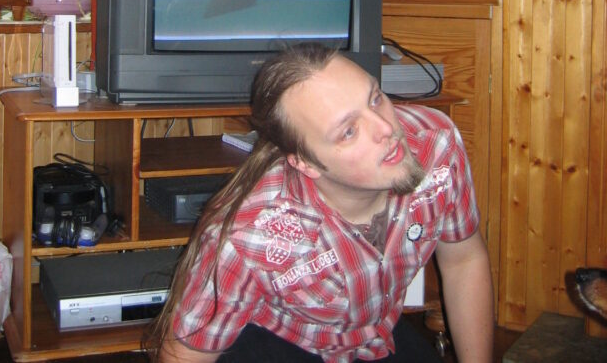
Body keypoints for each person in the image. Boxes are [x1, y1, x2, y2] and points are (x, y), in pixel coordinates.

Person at [146, 42, 494, 363]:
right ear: (305, 162)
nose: (386, 128)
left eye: (375, 98)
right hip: (281, 345)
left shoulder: (436, 145)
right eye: (348, 131)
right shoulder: (249, 236)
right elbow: (184, 355)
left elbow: (464, 261)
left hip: (375, 335)